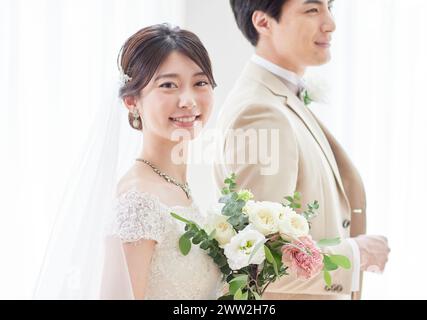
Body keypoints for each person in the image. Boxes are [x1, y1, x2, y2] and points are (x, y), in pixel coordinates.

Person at [213, 0, 390, 300]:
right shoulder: (260, 112)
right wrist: (355, 254)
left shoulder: (279, 98)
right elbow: (257, 265)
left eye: (329, 6)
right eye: (312, 9)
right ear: (264, 22)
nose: (330, 23)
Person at [34, 24, 223, 300]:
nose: (188, 100)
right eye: (168, 85)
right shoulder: (139, 200)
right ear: (132, 100)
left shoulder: (174, 185)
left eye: (200, 83)